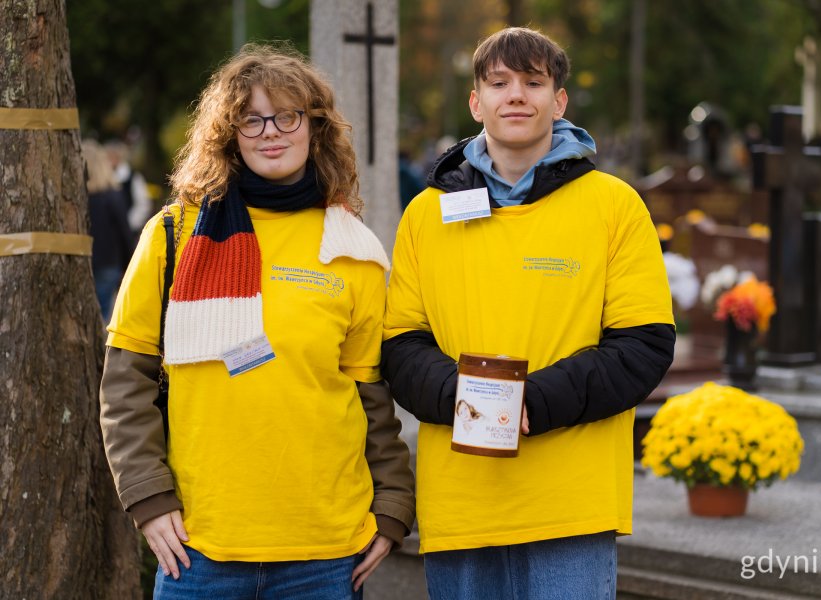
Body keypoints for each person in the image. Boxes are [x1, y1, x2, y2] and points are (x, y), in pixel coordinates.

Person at [99, 43, 415, 599]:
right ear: (229, 133)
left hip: (326, 551)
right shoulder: (173, 236)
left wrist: (391, 507)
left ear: (314, 127)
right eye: (251, 119)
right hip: (200, 547)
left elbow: (369, 395)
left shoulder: (352, 250)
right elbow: (126, 380)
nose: (271, 132)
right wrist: (147, 497)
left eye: (287, 115)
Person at [381, 27, 675, 599]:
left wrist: (528, 403)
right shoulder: (426, 214)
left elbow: (642, 347)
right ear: (476, 102)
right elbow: (400, 346)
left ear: (558, 101)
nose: (516, 95)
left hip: (571, 509)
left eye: (533, 82)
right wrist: (469, 400)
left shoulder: (614, 206)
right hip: (461, 507)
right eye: (499, 83)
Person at [83, 138, 134, 322]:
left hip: (81, 259)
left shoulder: (76, 197)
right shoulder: (113, 195)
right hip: (109, 263)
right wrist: (129, 264)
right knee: (102, 314)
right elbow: (124, 232)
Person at [105, 138, 154, 237]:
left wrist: (128, 224)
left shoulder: (133, 177)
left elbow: (143, 204)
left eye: (113, 156)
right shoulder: (104, 178)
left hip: (128, 232)